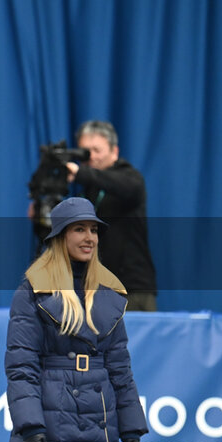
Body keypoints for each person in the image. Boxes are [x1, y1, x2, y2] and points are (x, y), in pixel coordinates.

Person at [4, 197, 147, 442]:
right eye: (79, 229)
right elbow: (21, 366)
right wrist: (31, 425)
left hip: (98, 425)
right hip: (52, 418)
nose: (90, 237)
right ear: (60, 236)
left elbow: (120, 365)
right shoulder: (33, 291)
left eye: (94, 229)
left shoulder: (110, 293)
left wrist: (132, 425)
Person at [66, 120, 157, 311]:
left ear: (114, 151)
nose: (91, 157)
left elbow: (126, 187)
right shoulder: (86, 190)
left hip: (131, 290)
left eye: (96, 150)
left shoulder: (130, 178)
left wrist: (82, 173)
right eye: (85, 151)